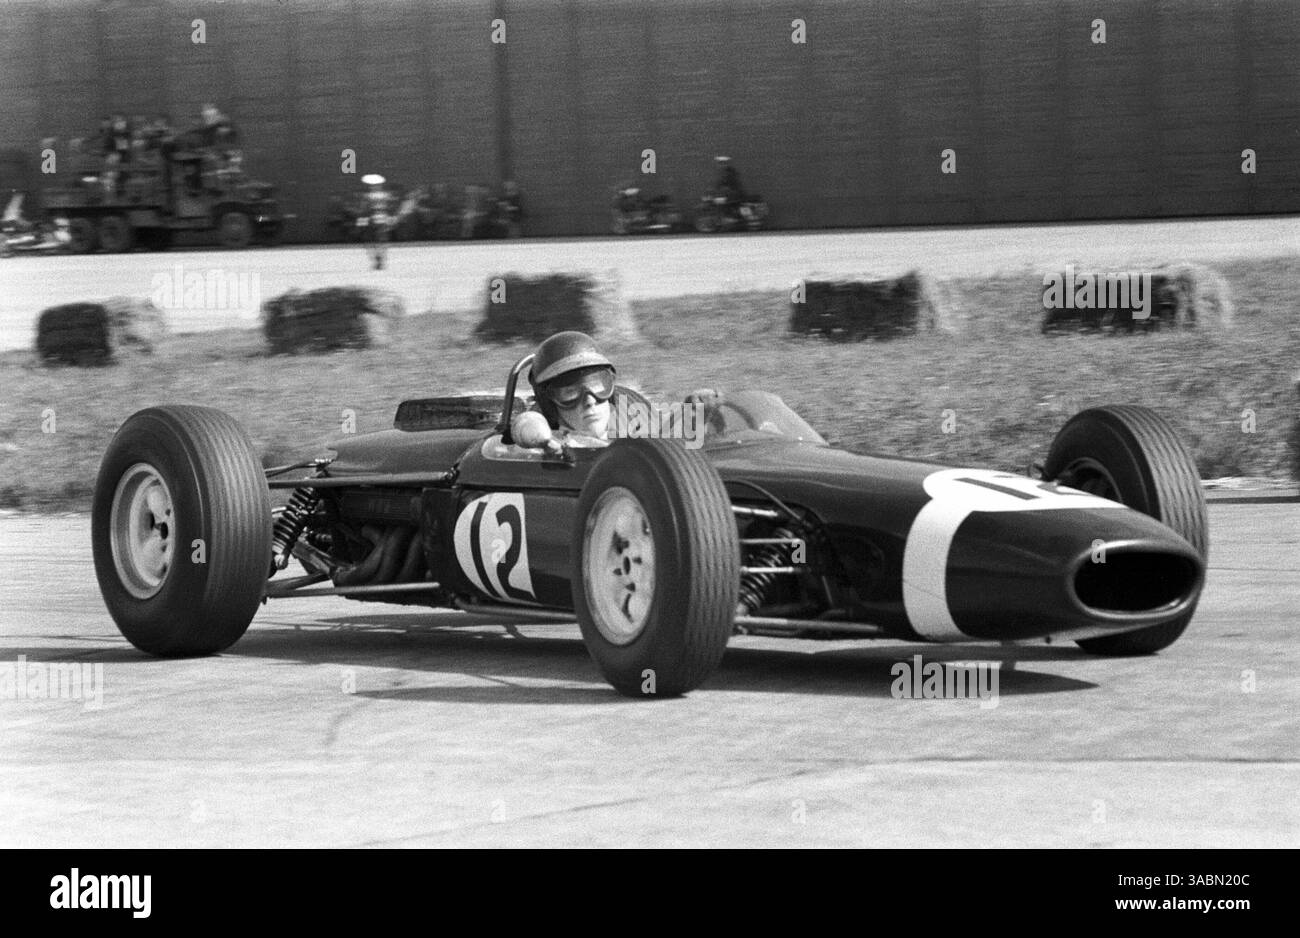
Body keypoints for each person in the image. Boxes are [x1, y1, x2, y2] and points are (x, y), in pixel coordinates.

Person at [513, 331, 617, 447]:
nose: (590, 401)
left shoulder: (632, 410)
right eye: (571, 392)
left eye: (596, 386)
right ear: (549, 403)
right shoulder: (535, 429)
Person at [360, 173, 393, 269]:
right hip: (383, 220)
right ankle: (382, 261)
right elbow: (389, 208)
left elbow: (365, 210)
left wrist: (361, 222)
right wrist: (389, 219)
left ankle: (376, 261)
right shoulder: (385, 195)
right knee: (382, 241)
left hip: (372, 221)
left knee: (370, 242)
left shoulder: (368, 196)